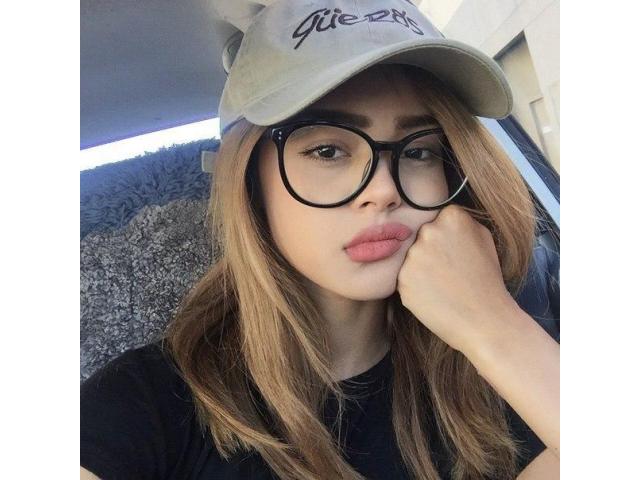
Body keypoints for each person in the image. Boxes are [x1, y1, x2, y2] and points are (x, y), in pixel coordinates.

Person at [81, 1, 560, 479]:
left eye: (418, 152)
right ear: (248, 181)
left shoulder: (499, 372)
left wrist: (494, 327)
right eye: (328, 150)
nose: (383, 190)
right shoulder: (138, 409)